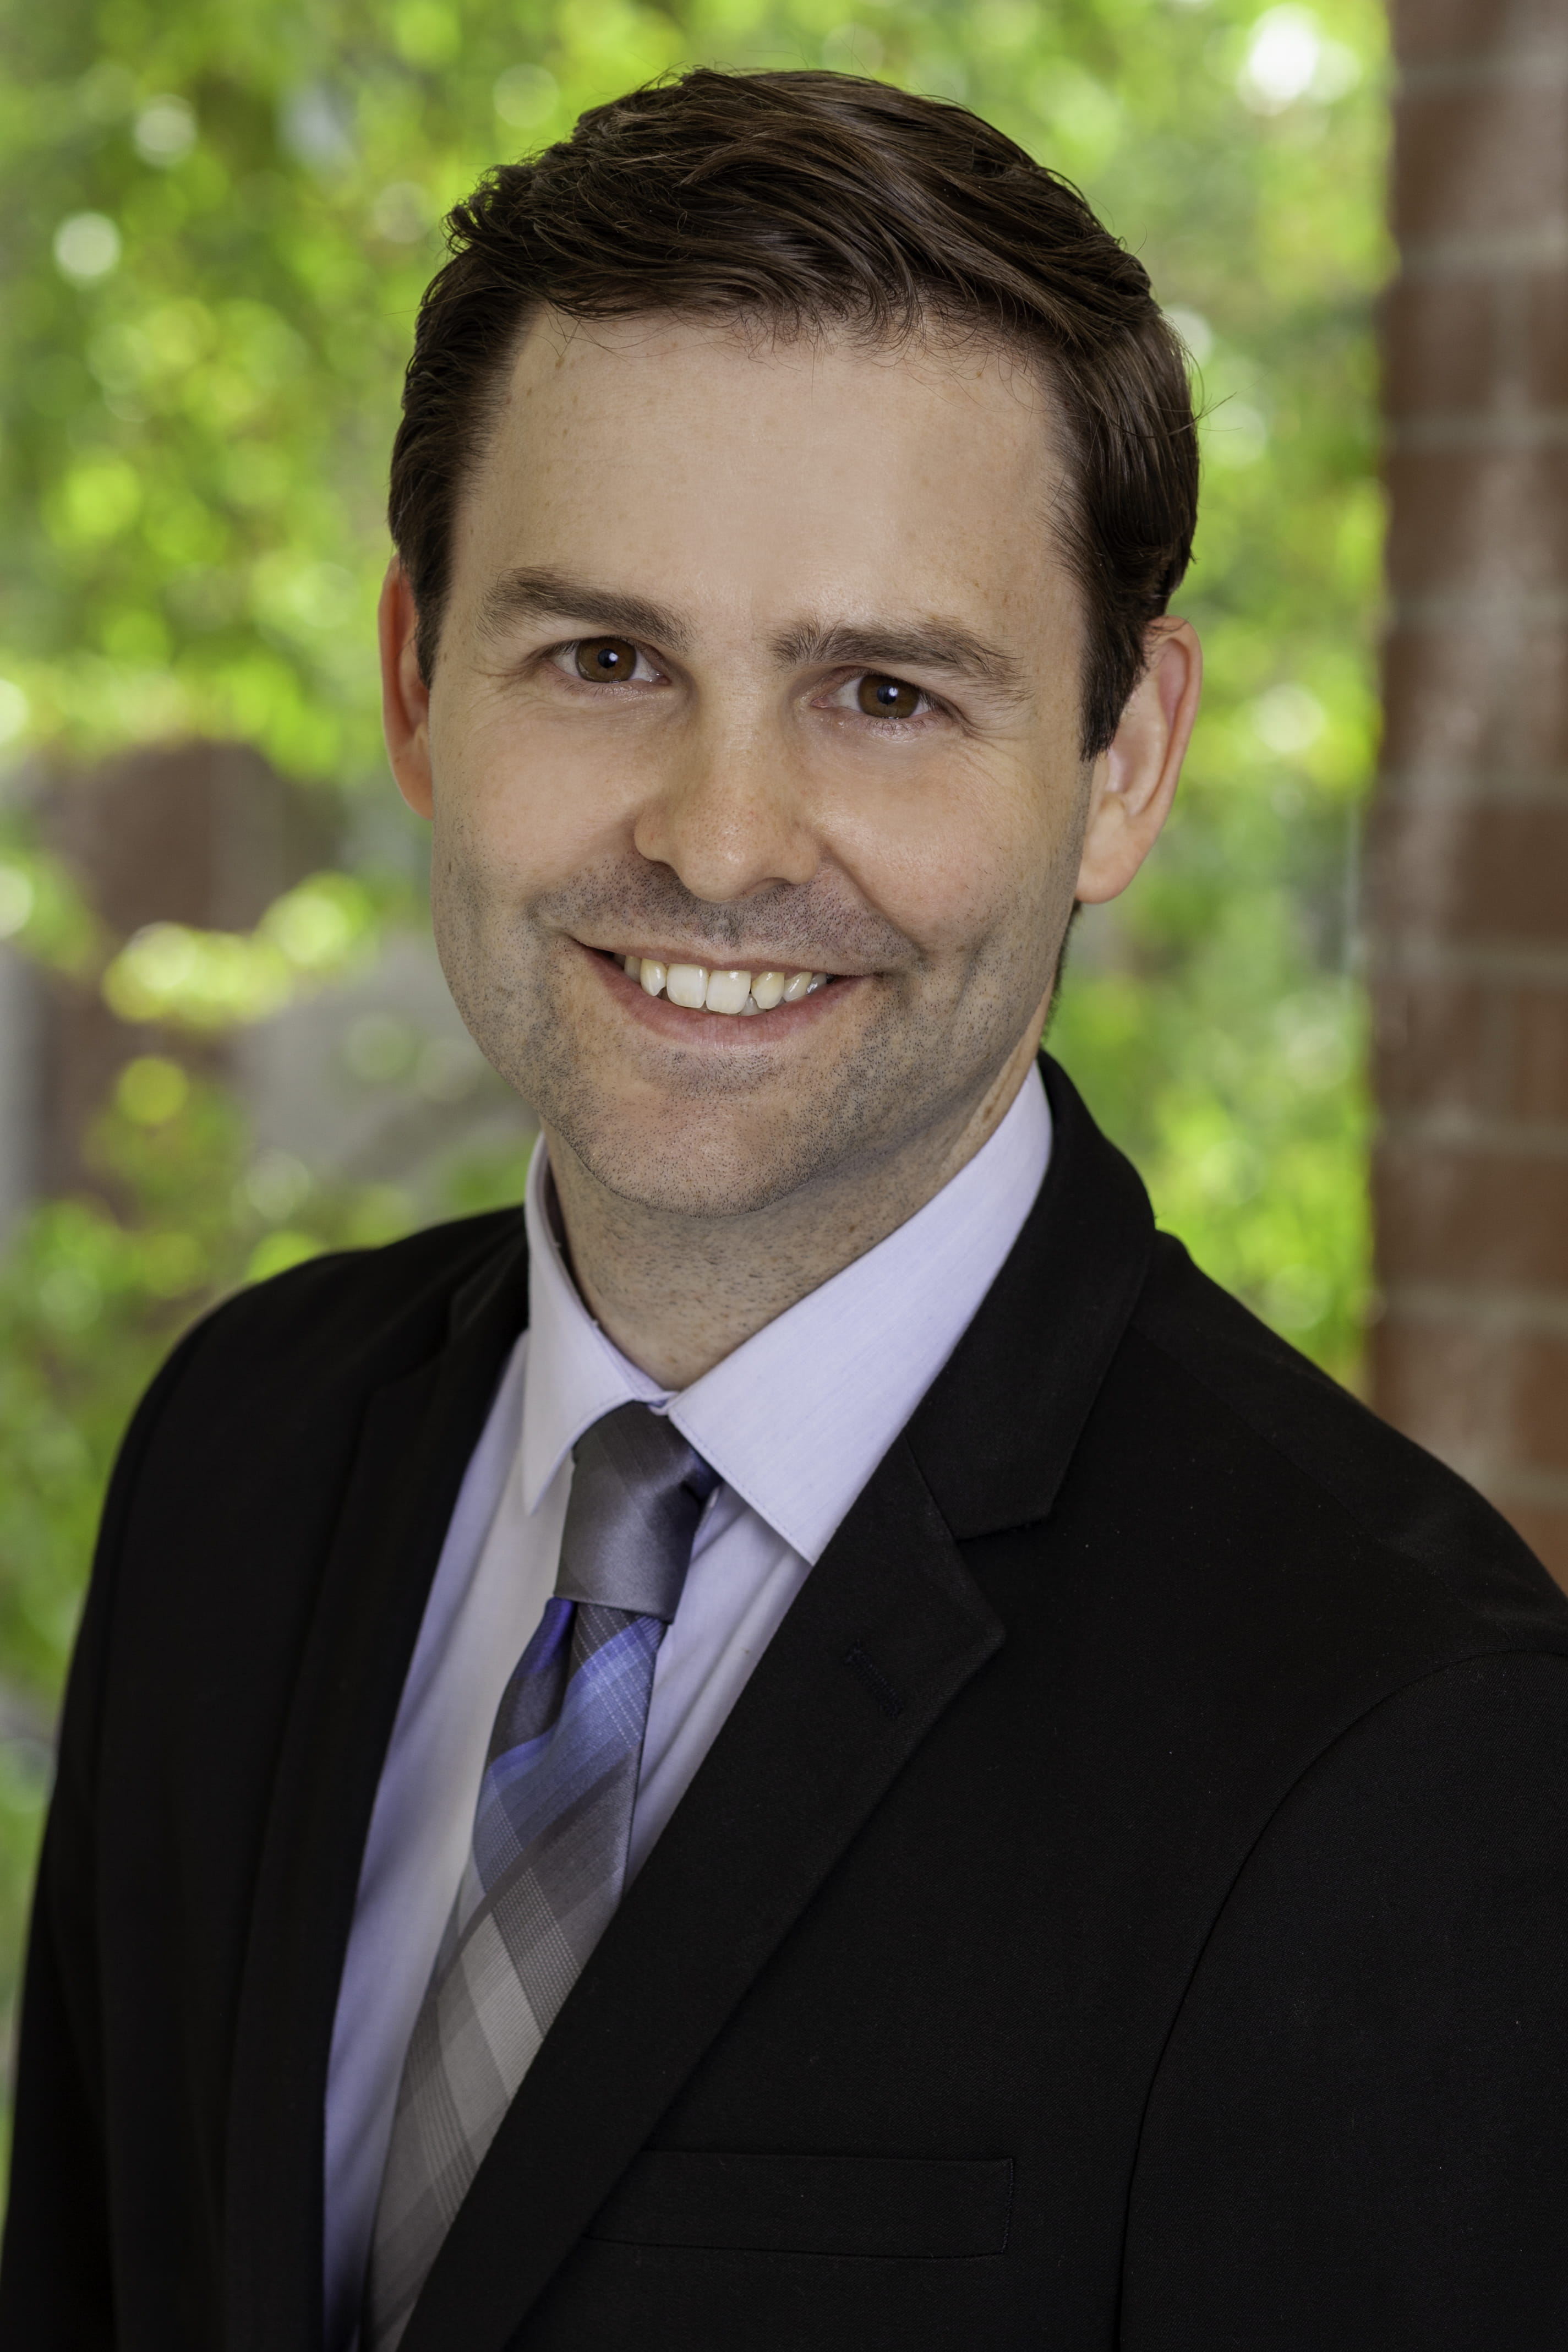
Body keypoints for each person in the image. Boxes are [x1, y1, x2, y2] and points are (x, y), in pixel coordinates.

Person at [5, 64, 1568, 2352]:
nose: (720, 839)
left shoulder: (1409, 1743)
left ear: (1120, 763)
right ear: (418, 685)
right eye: (604, 659)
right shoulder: (241, 1448)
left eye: (883, 692)